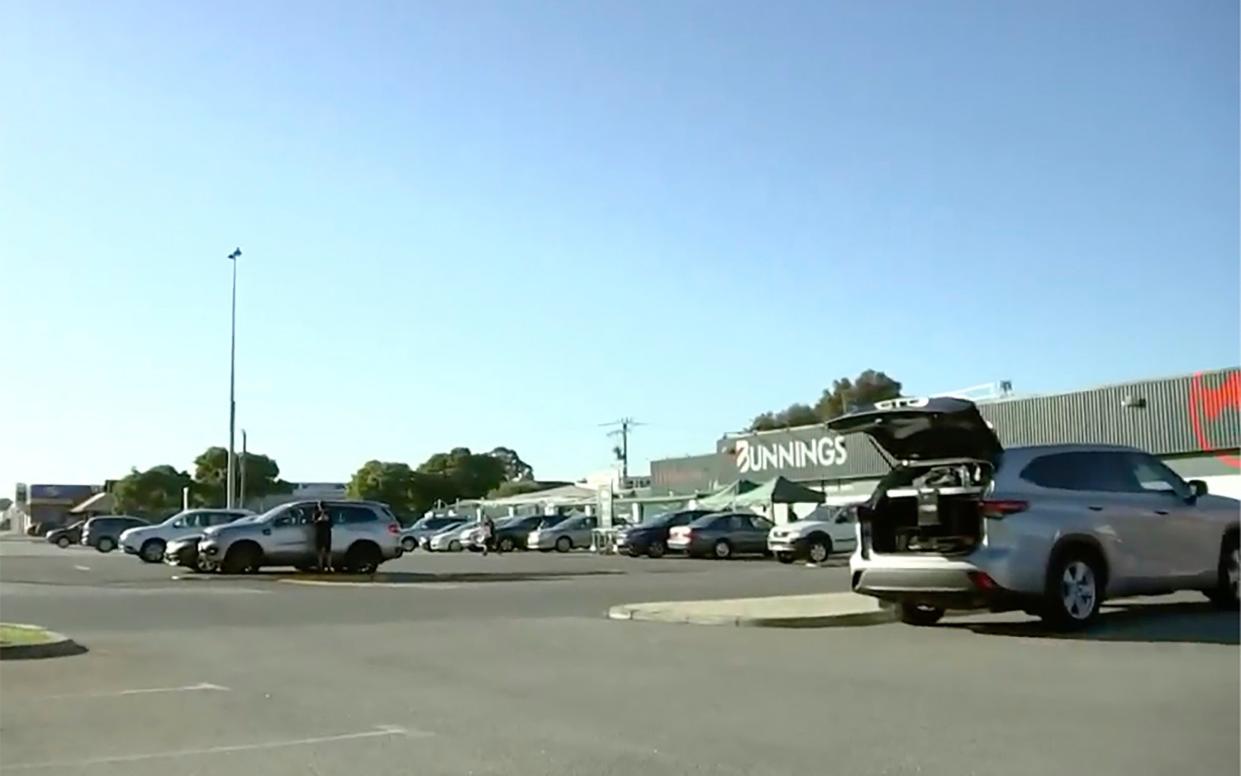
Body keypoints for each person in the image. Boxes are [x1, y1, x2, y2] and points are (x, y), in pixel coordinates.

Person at [313, 502, 333, 572]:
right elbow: (314, 523)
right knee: (320, 551)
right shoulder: (316, 514)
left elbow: (331, 524)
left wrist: (326, 519)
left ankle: (329, 566)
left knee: (328, 551)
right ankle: (320, 566)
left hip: (326, 533)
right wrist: (319, 519)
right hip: (320, 533)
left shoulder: (328, 514)